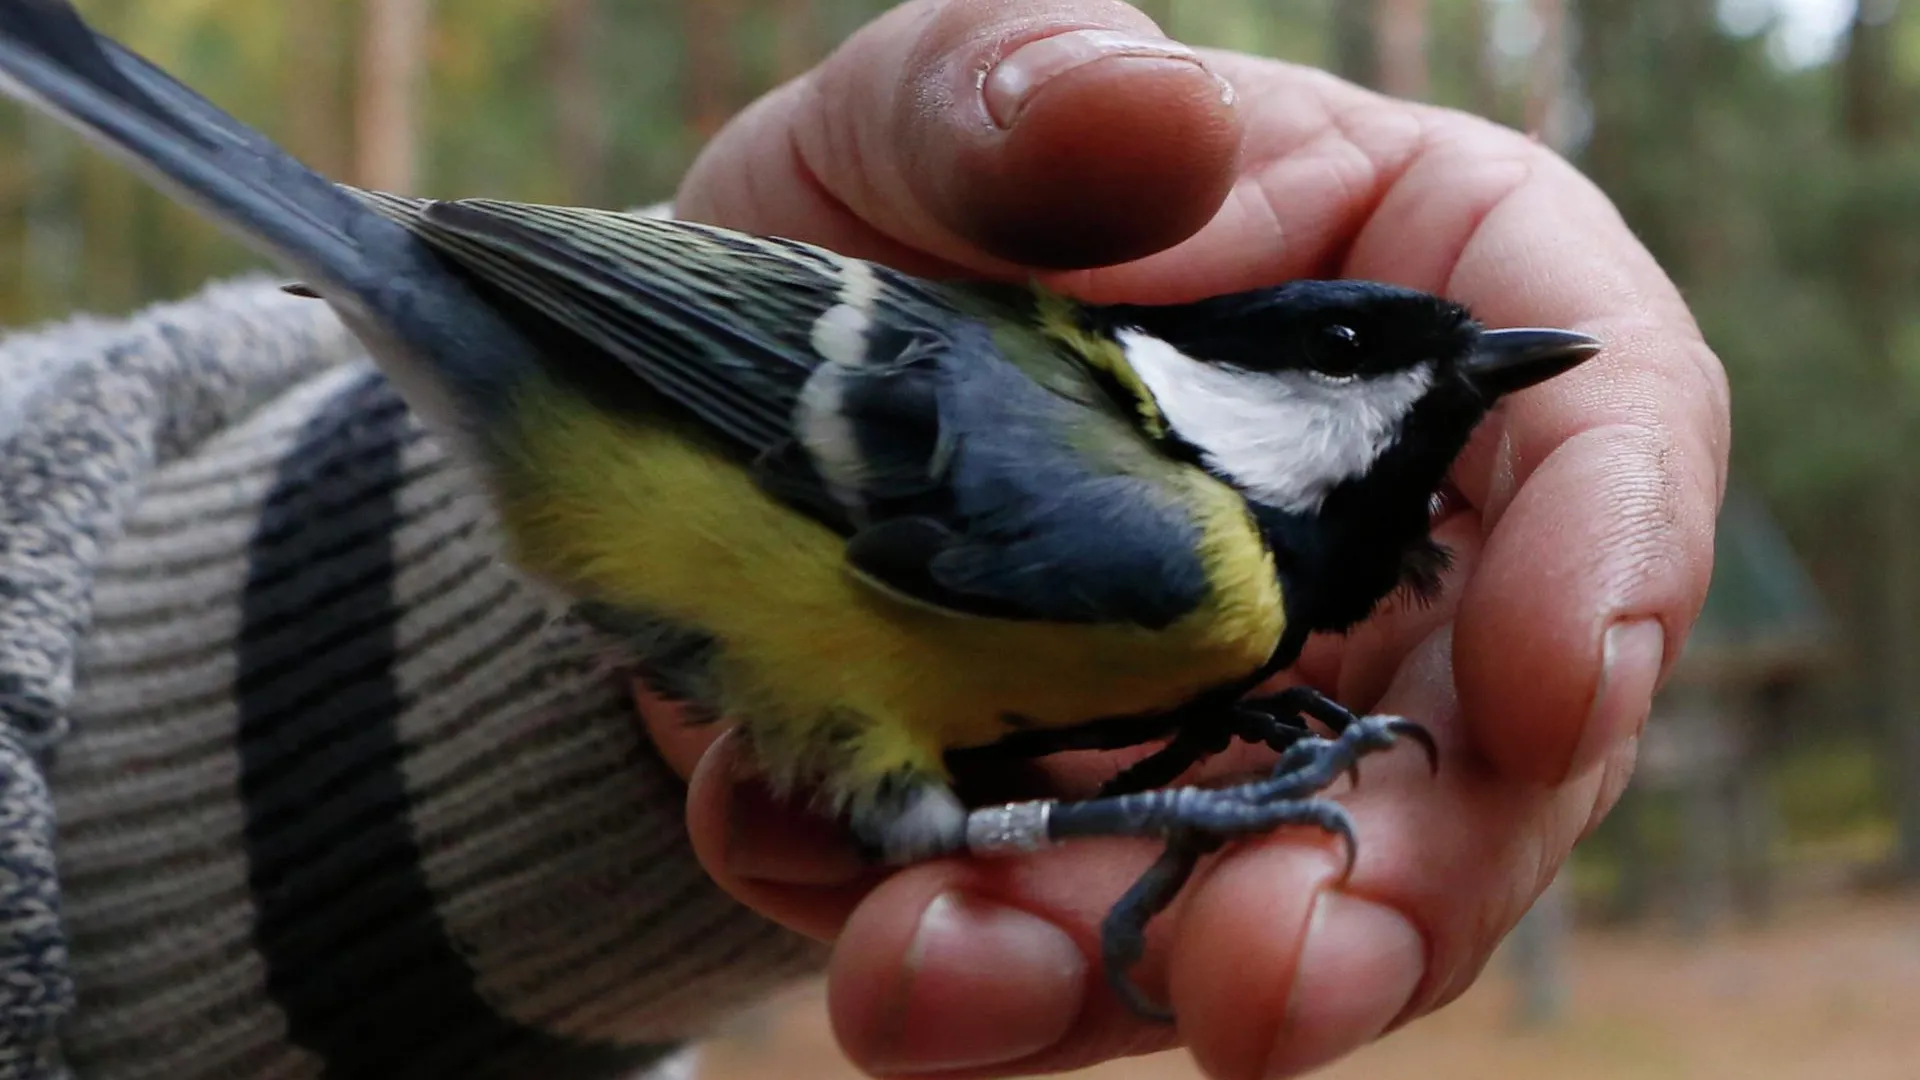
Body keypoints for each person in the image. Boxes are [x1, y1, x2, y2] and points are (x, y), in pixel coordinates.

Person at [0, 1, 1727, 1078]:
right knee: (921, 815)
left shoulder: (1222, 587)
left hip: (631, 513)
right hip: (631, 414)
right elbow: (909, 789)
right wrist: (1180, 801)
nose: (1421, 409)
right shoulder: (1174, 553)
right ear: (1223, 374)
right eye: (1362, 362)